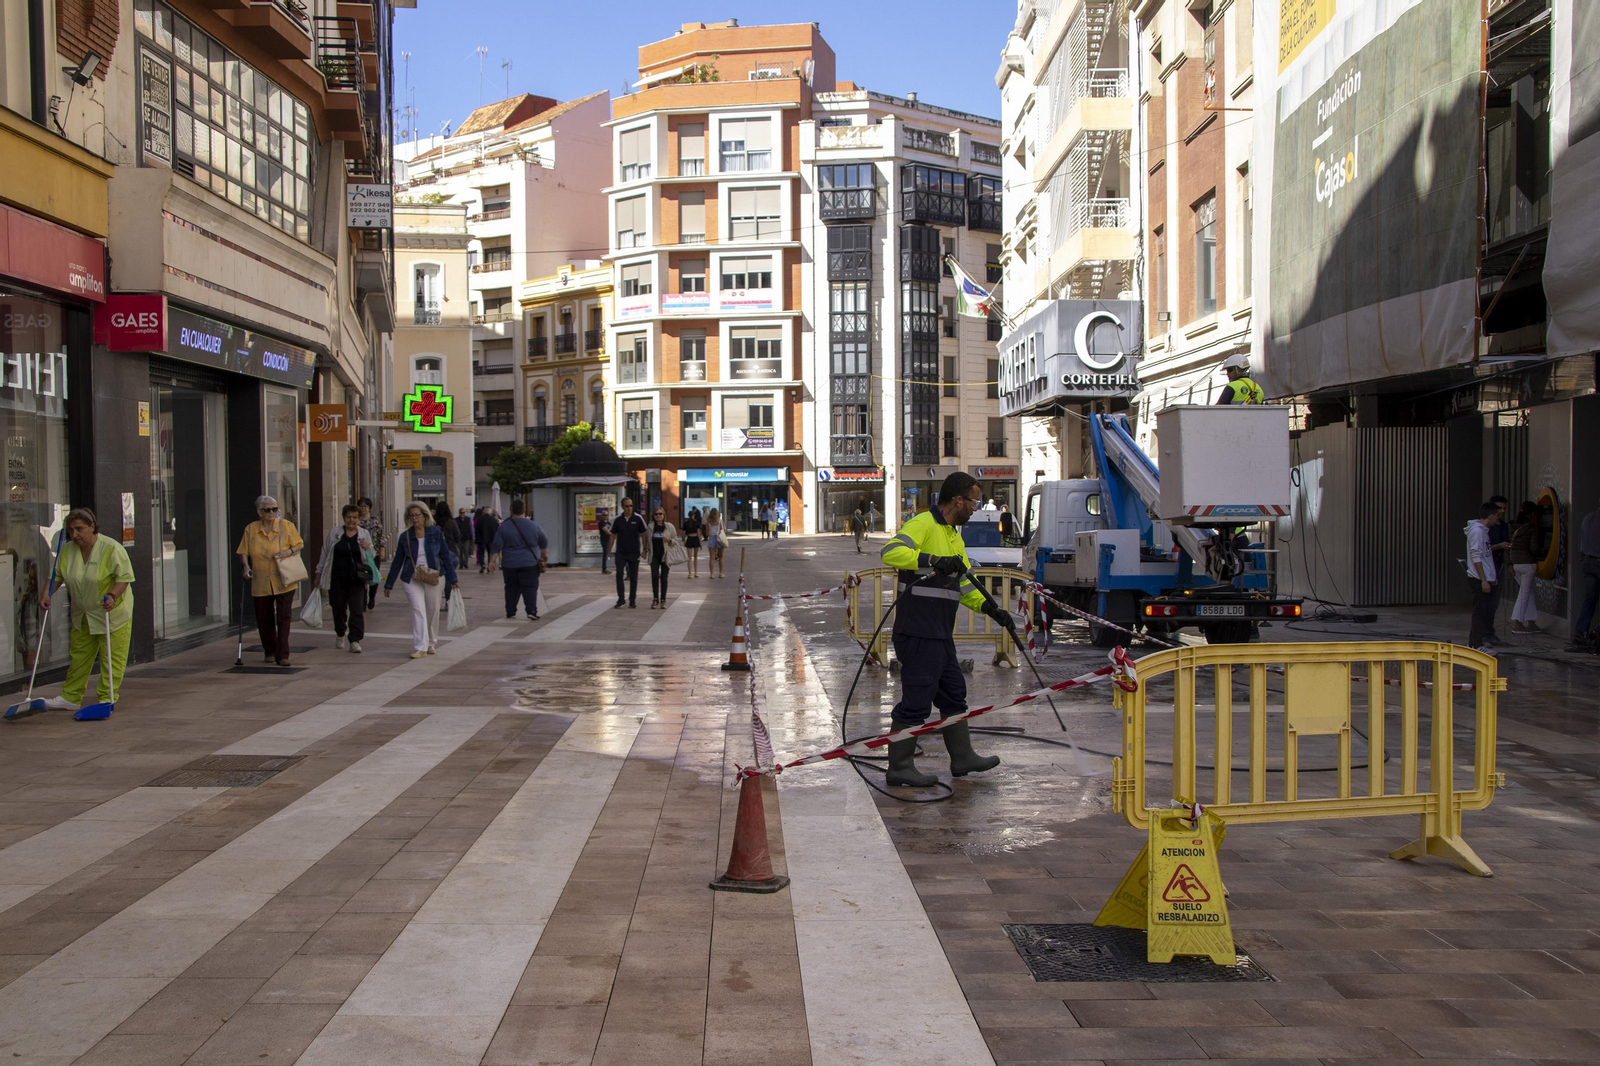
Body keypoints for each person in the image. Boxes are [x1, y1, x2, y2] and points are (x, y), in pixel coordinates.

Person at [879, 471, 1010, 786]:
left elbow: (963, 583)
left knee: (953, 694)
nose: (976, 508)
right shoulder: (924, 524)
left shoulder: (954, 535)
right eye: (974, 501)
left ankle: (962, 757)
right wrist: (931, 559)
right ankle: (899, 767)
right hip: (918, 631)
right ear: (959, 500)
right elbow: (890, 552)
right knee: (917, 700)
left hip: (939, 633)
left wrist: (990, 608)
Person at [35, 509, 134, 712]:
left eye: (79, 529)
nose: (75, 534)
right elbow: (56, 576)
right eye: (71, 530)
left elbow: (124, 578)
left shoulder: (111, 548)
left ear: (92, 526)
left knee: (111, 658)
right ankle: (70, 697)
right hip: (83, 615)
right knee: (79, 657)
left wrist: (113, 596)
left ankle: (107, 697)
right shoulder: (67, 551)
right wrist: (46, 594)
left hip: (111, 614)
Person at [385, 501, 460, 657]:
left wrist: (453, 578)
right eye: (411, 515)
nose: (414, 518)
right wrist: (389, 583)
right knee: (418, 610)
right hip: (411, 577)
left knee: (432, 609)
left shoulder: (435, 532)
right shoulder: (405, 536)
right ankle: (421, 647)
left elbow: (445, 556)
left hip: (433, 576)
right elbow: (398, 560)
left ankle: (431, 642)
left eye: (417, 515)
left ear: (425, 515)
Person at [237, 495, 304, 667]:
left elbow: (299, 544)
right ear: (259, 512)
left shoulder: (286, 526)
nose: (271, 512)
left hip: (284, 578)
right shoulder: (251, 529)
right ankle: (269, 650)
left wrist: (286, 553)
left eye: (274, 509)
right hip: (260, 579)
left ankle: (282, 655)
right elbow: (244, 551)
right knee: (264, 617)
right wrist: (246, 567)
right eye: (267, 510)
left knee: (283, 617)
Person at [315, 504, 373, 653]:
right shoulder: (335, 533)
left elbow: (372, 556)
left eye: (354, 517)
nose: (351, 520)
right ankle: (340, 632)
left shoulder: (364, 534)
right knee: (338, 607)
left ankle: (355, 639)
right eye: (348, 517)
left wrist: (368, 548)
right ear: (344, 518)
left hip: (357, 579)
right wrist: (319, 573)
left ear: (359, 519)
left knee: (356, 609)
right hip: (337, 578)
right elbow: (325, 552)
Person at [492, 499, 549, 620]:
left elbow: (496, 546)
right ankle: (531, 610)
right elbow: (543, 542)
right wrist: (544, 556)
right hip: (529, 562)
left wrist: (492, 562)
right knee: (530, 586)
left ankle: (511, 611)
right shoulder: (534, 525)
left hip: (509, 563)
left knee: (511, 587)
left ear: (511, 510)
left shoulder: (504, 527)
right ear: (524, 510)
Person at [1465, 501, 1500, 654]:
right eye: (1497, 516)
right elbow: (1476, 556)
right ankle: (1477, 644)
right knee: (1480, 612)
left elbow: (1484, 556)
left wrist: (1491, 576)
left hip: (1484, 577)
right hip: (1479, 579)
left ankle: (1474, 643)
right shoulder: (1478, 532)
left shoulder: (1482, 531)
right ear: (1491, 516)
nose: (1498, 519)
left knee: (1483, 611)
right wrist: (1484, 579)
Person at [1507, 500, 1541, 634]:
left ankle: (1531, 621)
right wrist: (1542, 552)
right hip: (1528, 563)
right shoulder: (1532, 528)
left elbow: (1508, 546)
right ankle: (1518, 623)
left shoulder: (1514, 527)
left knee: (1527, 592)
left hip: (1515, 564)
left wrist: (1509, 564)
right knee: (1524, 594)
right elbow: (1534, 548)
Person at [1571, 498, 1600, 651]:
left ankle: (1580, 633)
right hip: (1598, 560)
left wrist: (1583, 559)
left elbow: (1580, 540)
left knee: (1590, 599)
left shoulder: (1588, 518)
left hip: (1587, 561)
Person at [610, 497, 649, 608]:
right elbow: (612, 535)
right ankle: (621, 599)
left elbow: (643, 533)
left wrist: (644, 549)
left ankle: (632, 600)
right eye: (627, 506)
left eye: (631, 505)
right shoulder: (618, 519)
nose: (629, 508)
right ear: (623, 507)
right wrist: (609, 551)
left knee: (633, 577)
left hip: (634, 552)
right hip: (621, 552)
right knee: (619, 575)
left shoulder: (638, 518)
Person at [648, 506, 680, 609]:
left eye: (660, 514)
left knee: (664, 578)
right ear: (653, 516)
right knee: (654, 575)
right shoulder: (650, 527)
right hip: (654, 555)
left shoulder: (669, 526)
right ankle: (655, 598)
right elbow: (646, 540)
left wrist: (669, 540)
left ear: (663, 515)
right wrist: (644, 550)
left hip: (666, 555)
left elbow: (676, 540)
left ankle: (663, 600)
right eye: (656, 514)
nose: (658, 516)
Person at [358, 497, 386, 610]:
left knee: (374, 574)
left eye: (365, 506)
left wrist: (382, 549)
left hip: (374, 553)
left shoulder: (374, 521)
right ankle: (363, 600)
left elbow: (381, 535)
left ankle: (372, 596)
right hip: (361, 553)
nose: (363, 508)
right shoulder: (357, 521)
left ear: (369, 508)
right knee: (362, 576)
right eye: (361, 506)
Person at [434, 501, 463, 570]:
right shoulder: (452, 522)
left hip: (436, 551)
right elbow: (458, 537)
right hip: (450, 549)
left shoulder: (433, 522)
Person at [474, 507, 500, 573]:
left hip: (481, 539)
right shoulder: (494, 520)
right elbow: (497, 530)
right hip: (491, 539)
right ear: (490, 513)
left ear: (483, 513)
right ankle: (489, 566)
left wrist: (476, 538)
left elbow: (477, 529)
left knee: (481, 553)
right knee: (490, 554)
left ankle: (482, 564)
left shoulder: (480, 519)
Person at [705, 508, 726, 579]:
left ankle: (712, 574)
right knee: (721, 557)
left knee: (712, 558)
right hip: (719, 538)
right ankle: (721, 573)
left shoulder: (708, 522)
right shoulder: (720, 521)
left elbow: (707, 533)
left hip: (711, 539)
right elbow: (724, 530)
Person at [596, 505, 613, 574]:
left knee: (608, 553)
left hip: (609, 540)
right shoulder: (601, 523)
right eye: (604, 515)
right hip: (604, 540)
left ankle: (606, 566)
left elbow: (612, 531)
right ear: (602, 516)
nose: (606, 516)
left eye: (607, 515)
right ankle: (604, 568)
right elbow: (607, 531)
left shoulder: (608, 523)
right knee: (605, 553)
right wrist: (611, 532)